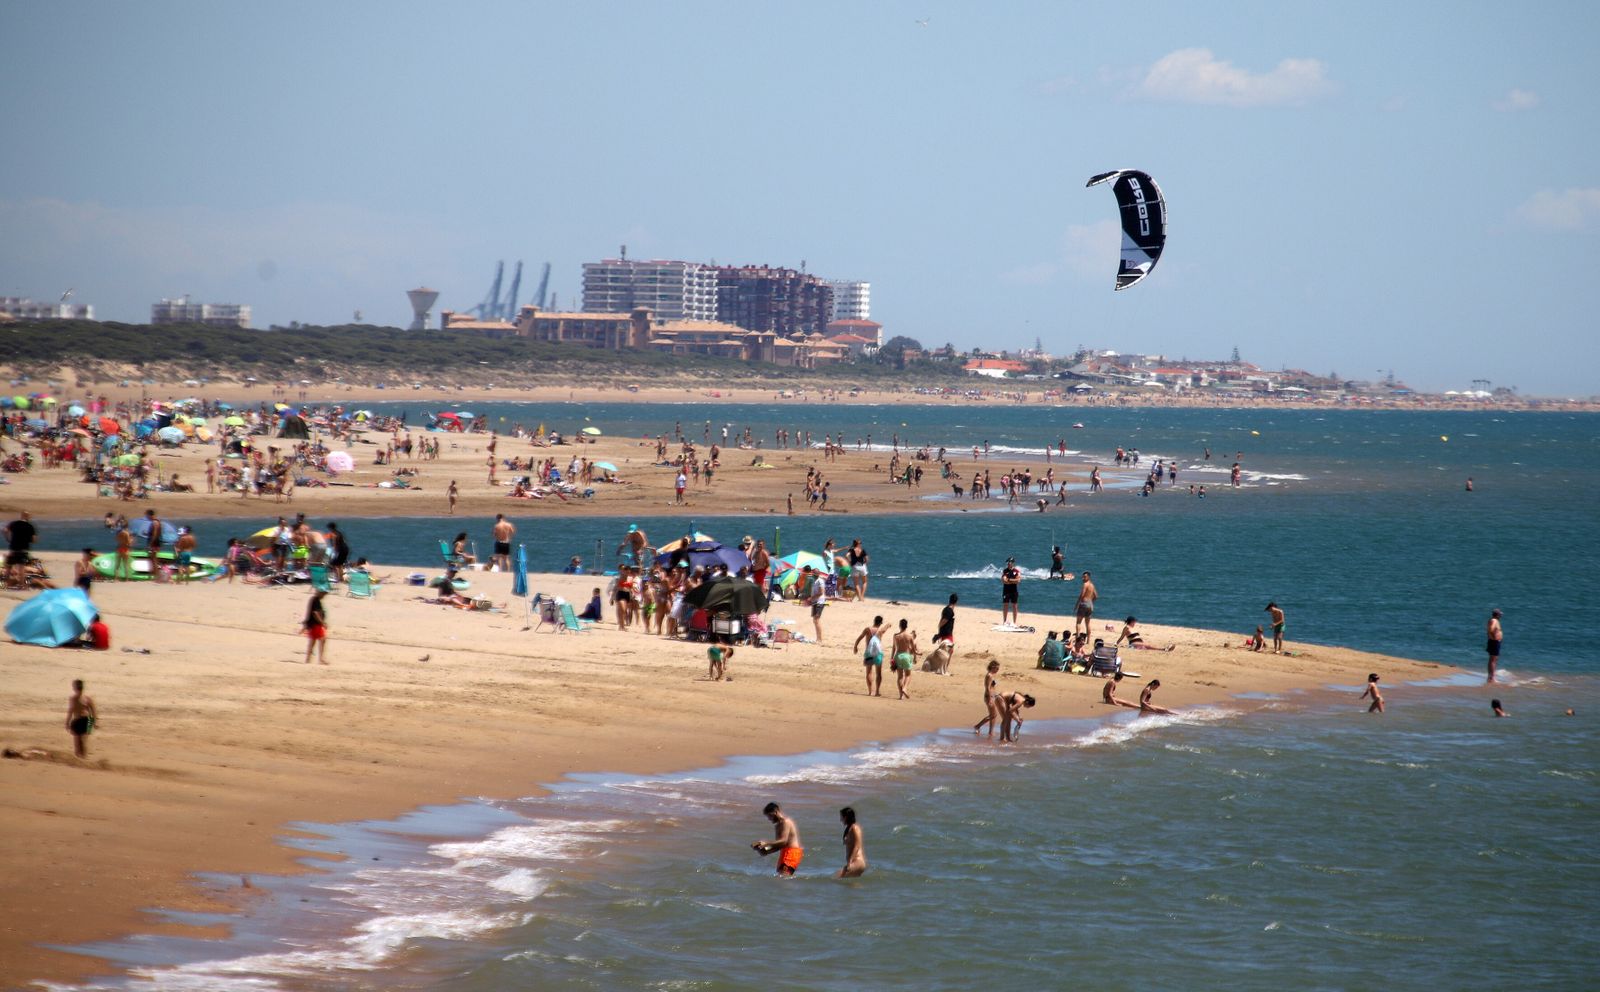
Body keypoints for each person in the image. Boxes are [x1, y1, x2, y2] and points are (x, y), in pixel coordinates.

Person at [751, 802, 803, 877]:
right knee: (782, 877)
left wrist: (766, 844)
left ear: (775, 812)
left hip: (791, 852)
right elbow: (779, 845)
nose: (769, 819)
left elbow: (784, 841)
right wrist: (765, 850)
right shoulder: (778, 826)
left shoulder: (786, 822)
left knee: (783, 877)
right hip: (785, 853)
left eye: (769, 816)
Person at [855, 615, 887, 696]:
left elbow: (860, 638)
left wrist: (855, 646)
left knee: (869, 672)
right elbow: (886, 627)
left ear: (874, 621)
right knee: (878, 673)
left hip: (869, 652)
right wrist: (888, 624)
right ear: (881, 623)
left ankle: (870, 691)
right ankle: (877, 691)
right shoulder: (881, 630)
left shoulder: (867, 629)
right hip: (878, 653)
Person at [66, 678, 98, 759]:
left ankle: (82, 758)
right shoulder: (85, 699)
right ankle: (82, 758)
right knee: (81, 742)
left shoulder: (75, 699)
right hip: (83, 721)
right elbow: (93, 712)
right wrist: (94, 722)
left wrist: (67, 723)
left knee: (80, 742)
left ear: (75, 688)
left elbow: (70, 711)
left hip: (83, 721)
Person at [6, 510, 37, 588]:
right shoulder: (30, 526)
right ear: (28, 517)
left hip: (13, 549)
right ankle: (21, 585)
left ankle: (6, 584)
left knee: (9, 567)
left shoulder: (14, 523)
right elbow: (34, 540)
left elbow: (5, 530)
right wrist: (29, 539)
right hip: (23, 549)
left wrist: (8, 538)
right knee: (21, 568)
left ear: (21, 516)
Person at [891, 619, 918, 699]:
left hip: (898, 656)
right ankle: (905, 688)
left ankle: (901, 696)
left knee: (900, 677)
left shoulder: (895, 636)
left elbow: (893, 648)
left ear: (900, 626)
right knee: (908, 675)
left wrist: (892, 658)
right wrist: (915, 657)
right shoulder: (909, 636)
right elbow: (913, 649)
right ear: (906, 626)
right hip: (906, 656)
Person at [974, 660, 1002, 737]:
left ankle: (991, 732)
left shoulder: (991, 675)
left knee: (993, 715)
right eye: (997, 668)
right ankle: (978, 726)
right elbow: (988, 688)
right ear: (993, 667)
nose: (998, 670)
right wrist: (990, 698)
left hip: (993, 696)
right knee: (993, 715)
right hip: (989, 696)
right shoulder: (989, 675)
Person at [837, 806, 867, 878]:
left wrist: (850, 862)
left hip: (857, 861)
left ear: (846, 817)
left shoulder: (855, 828)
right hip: (854, 862)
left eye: (841, 817)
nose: (840, 820)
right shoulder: (849, 829)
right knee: (853, 884)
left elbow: (857, 845)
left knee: (836, 877)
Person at [302, 590, 329, 664]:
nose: (324, 596)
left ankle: (309, 659)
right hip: (315, 624)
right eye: (323, 594)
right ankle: (320, 659)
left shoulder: (315, 600)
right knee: (321, 640)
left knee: (315, 641)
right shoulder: (316, 600)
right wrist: (322, 623)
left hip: (314, 624)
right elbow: (315, 613)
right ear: (319, 593)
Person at [802, 565, 827, 643]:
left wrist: (811, 598)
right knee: (815, 620)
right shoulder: (813, 580)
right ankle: (818, 638)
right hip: (815, 602)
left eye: (814, 574)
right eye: (813, 573)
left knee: (816, 620)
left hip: (819, 602)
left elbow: (821, 592)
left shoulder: (820, 581)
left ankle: (819, 639)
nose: (813, 575)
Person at [1075, 572, 1098, 636]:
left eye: (1084, 577)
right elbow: (1096, 596)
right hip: (1090, 604)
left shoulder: (1085, 584)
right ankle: (1088, 639)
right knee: (1087, 623)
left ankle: (1078, 637)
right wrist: (1090, 602)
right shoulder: (1092, 585)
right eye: (1082, 577)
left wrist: (1077, 605)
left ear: (1088, 577)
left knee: (1078, 622)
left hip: (1084, 603)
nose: (1083, 578)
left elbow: (1082, 595)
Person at [1000, 556, 1021, 625]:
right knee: (1005, 605)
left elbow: (1018, 580)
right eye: (1008, 562)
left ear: (1013, 563)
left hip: (1014, 591)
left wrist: (1009, 580)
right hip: (1006, 590)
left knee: (1014, 606)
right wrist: (1013, 580)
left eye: (1010, 562)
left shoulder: (1016, 571)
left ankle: (1014, 622)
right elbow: (1003, 580)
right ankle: (1004, 621)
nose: (1009, 563)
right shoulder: (1005, 571)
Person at [1486, 608, 1503, 684]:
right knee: (1493, 660)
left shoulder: (1492, 620)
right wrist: (1494, 638)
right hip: (1494, 642)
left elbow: (1490, 630)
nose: (1501, 616)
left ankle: (1490, 677)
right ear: (1497, 615)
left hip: (1493, 641)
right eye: (1500, 614)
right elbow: (1491, 629)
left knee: (1492, 660)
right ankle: (1492, 678)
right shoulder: (1494, 621)